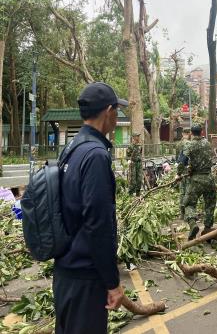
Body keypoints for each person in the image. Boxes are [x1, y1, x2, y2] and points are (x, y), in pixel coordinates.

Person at [54, 82, 127, 334]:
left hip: (65, 271)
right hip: (85, 277)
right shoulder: (96, 155)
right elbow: (98, 224)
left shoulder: (72, 148)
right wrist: (112, 283)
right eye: (117, 110)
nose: (118, 116)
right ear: (108, 111)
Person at [183, 124, 217, 240]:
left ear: (191, 133)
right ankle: (208, 229)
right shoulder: (207, 143)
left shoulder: (190, 145)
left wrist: (179, 173)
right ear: (202, 132)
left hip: (196, 179)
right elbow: (212, 159)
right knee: (210, 203)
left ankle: (193, 224)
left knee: (189, 204)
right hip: (209, 178)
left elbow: (183, 160)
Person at [175, 127, 191, 219]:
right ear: (189, 133)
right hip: (187, 169)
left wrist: (178, 172)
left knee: (182, 191)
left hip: (180, 168)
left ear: (182, 134)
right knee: (188, 191)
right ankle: (188, 212)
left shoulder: (178, 144)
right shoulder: (189, 143)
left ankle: (182, 212)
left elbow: (177, 157)